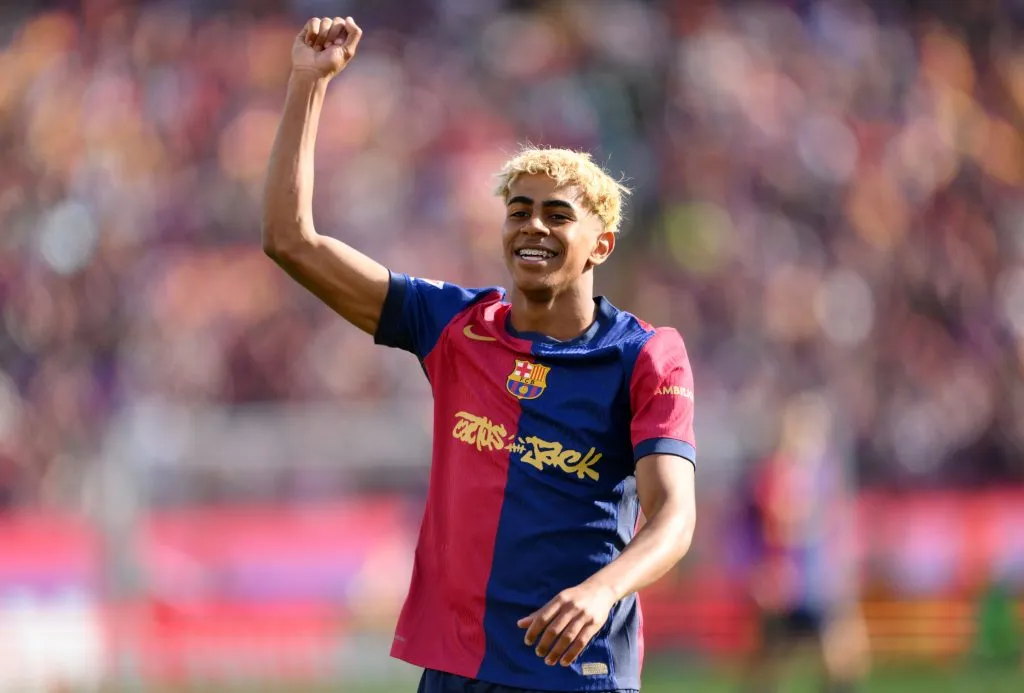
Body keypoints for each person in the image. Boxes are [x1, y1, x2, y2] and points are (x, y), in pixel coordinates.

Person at [262, 16, 698, 693]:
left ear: (601, 245)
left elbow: (674, 516)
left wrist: (601, 590)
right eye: (519, 210)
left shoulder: (645, 354)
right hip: (458, 671)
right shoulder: (455, 325)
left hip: (574, 675)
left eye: (558, 215)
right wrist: (306, 86)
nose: (533, 225)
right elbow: (291, 240)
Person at [739, 394, 870, 693]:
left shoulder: (825, 474)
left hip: (820, 584)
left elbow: (836, 532)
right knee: (769, 666)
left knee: (843, 658)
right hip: (785, 586)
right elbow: (772, 529)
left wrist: (843, 573)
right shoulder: (773, 475)